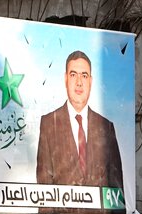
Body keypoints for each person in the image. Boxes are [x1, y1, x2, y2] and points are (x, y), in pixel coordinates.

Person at [36, 50, 124, 188]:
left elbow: (117, 191)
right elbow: (43, 186)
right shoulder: (48, 124)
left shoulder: (106, 127)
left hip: (99, 210)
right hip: (62, 209)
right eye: (73, 75)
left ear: (90, 81)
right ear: (65, 79)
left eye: (84, 76)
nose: (79, 82)